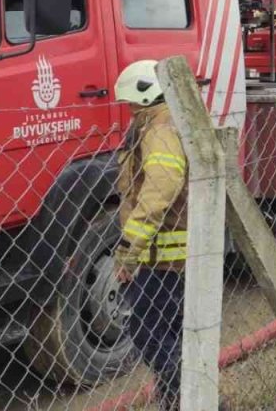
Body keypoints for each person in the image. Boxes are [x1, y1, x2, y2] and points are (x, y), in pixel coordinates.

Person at [112, 60, 189, 411]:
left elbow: (161, 189)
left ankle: (187, 398)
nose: (126, 112)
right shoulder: (165, 120)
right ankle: (180, 400)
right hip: (166, 254)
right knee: (171, 333)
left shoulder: (157, 129)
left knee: (147, 333)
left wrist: (129, 248)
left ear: (144, 97)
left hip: (163, 256)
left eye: (129, 104)